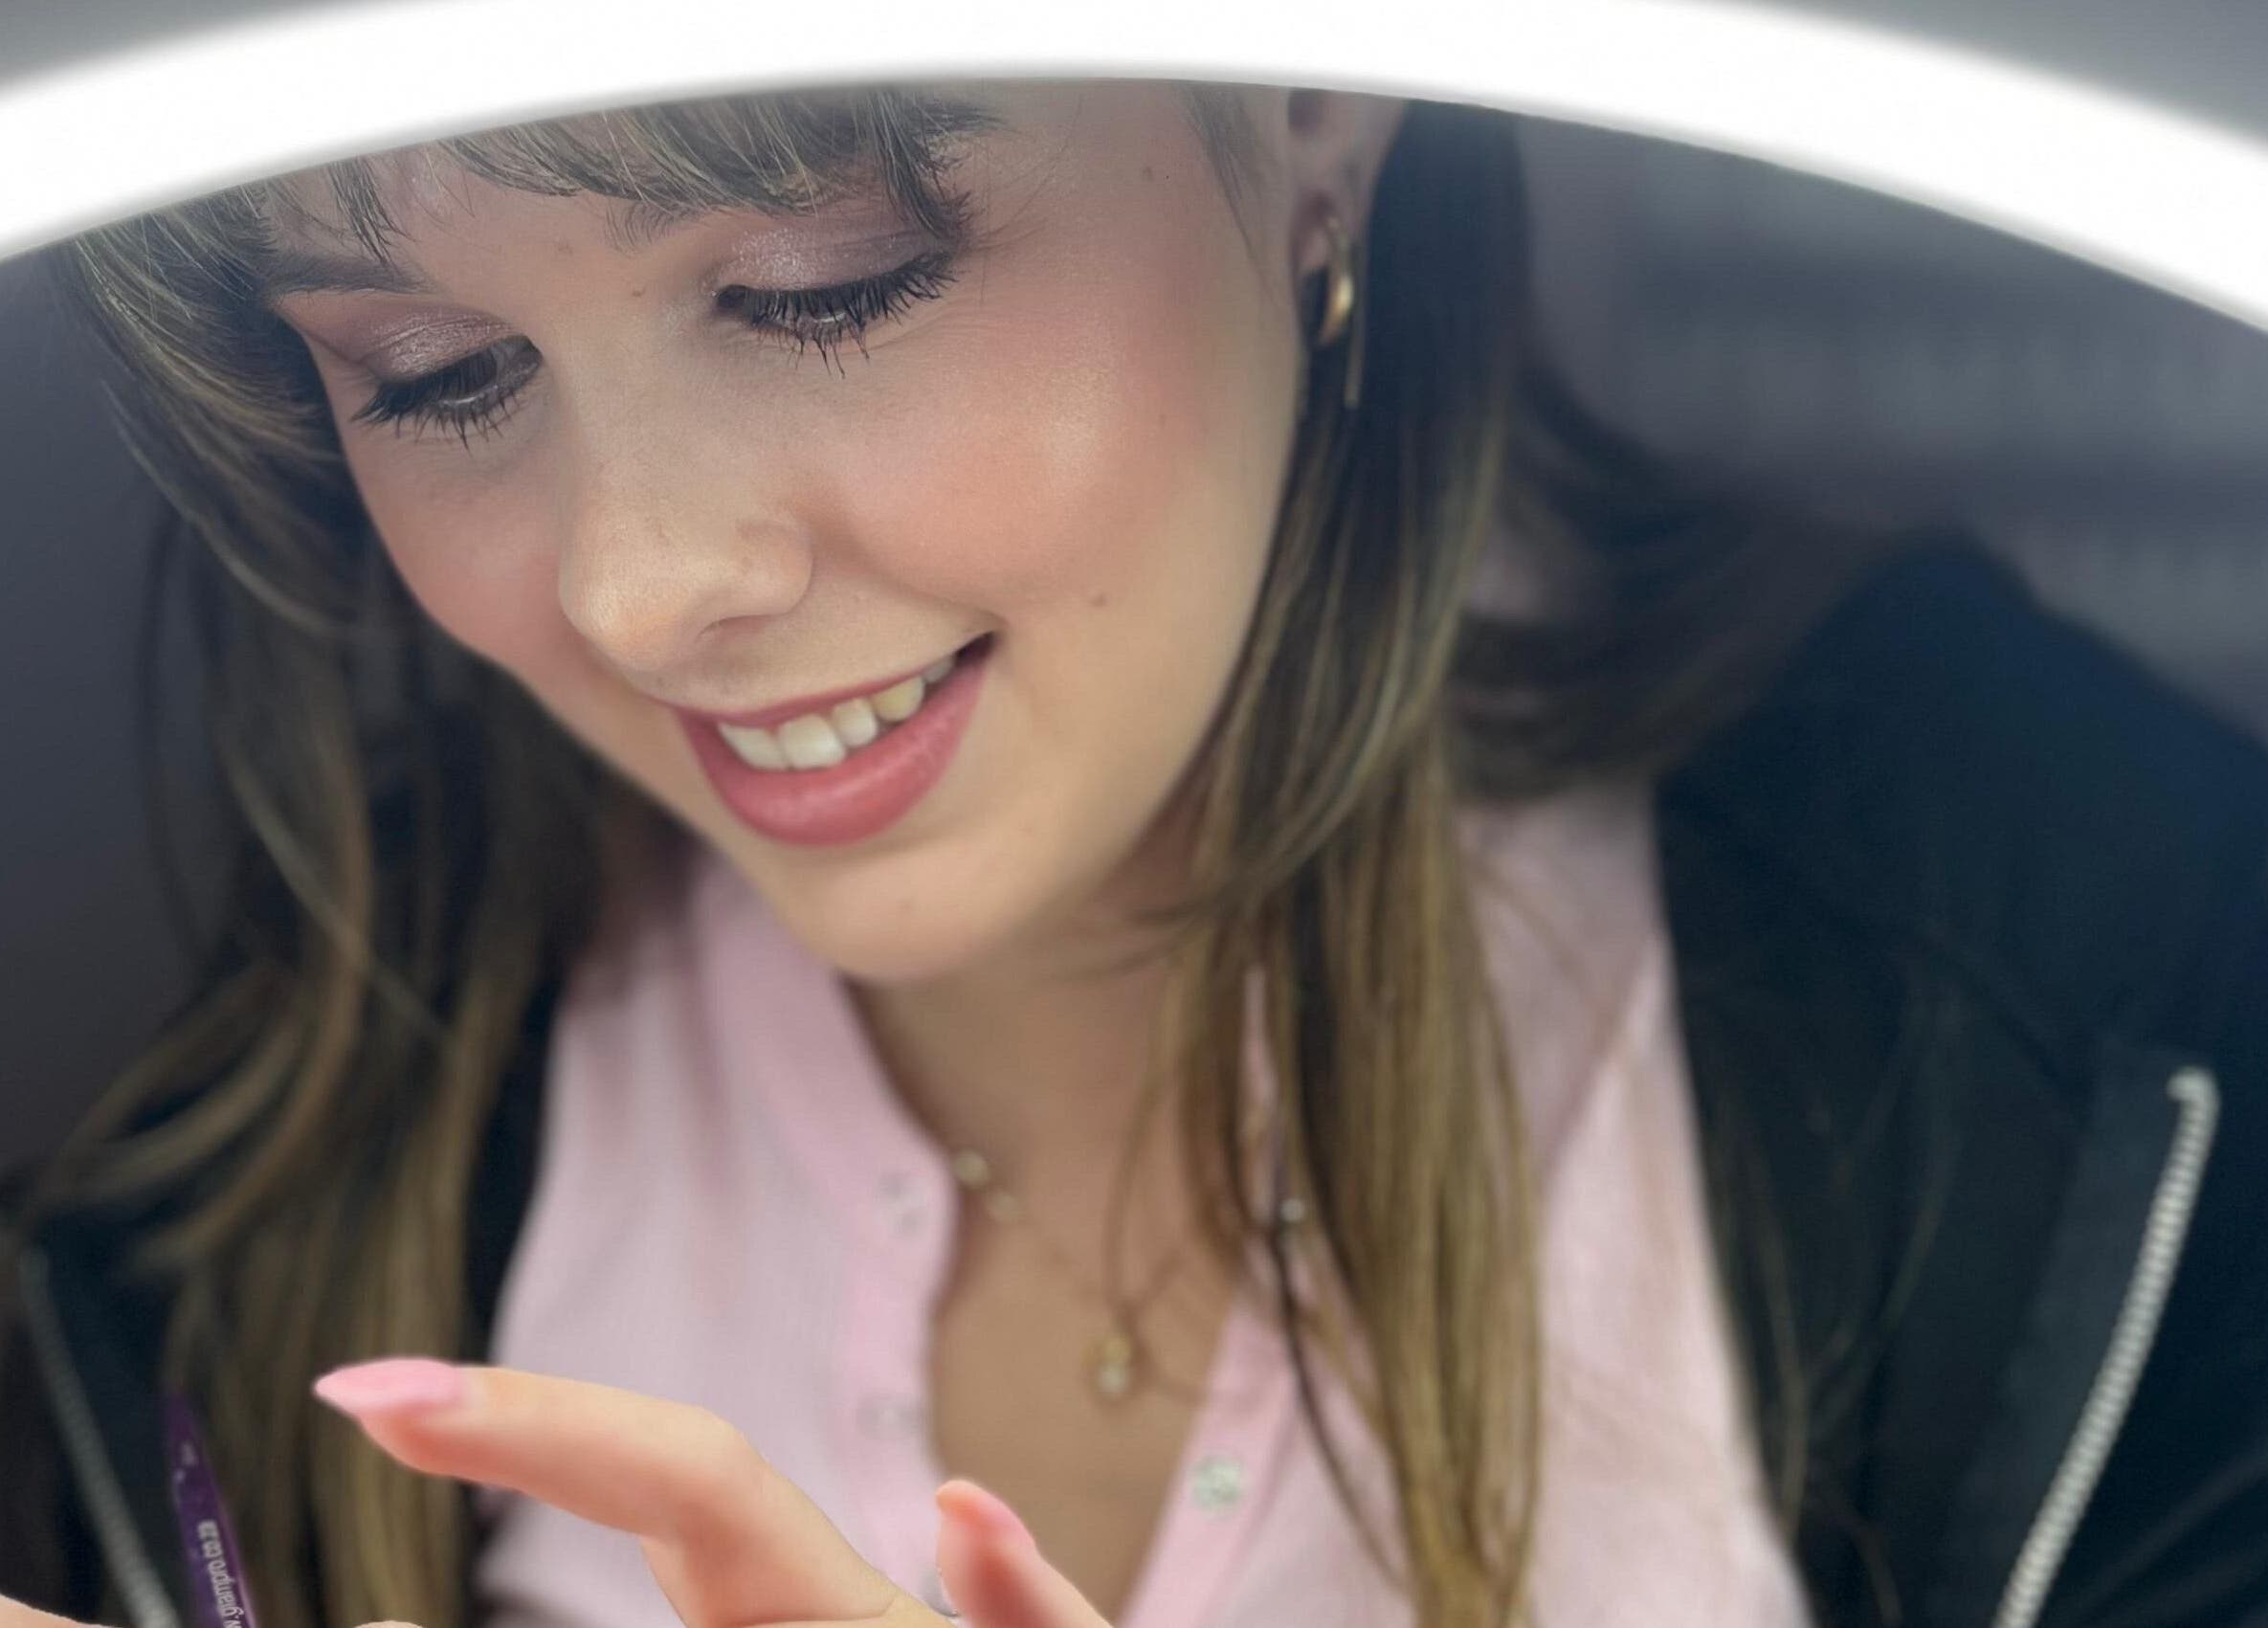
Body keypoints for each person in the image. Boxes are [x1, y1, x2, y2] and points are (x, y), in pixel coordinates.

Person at [0, 80, 2261, 1628]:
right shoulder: (259, 1170)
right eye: (432, 375)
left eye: (819, 280)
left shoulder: (2099, 1025)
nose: (633, 579)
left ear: (1311, 116)